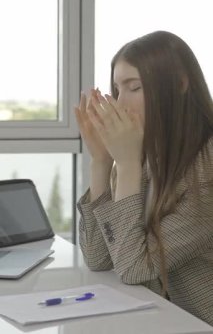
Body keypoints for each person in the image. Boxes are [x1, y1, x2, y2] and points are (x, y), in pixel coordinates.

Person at [74, 31, 213, 326]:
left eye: (134, 87)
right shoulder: (150, 156)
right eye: (116, 89)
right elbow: (100, 257)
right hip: (165, 320)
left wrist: (125, 164)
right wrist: (101, 161)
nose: (120, 103)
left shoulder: (207, 169)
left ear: (179, 84)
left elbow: (135, 268)